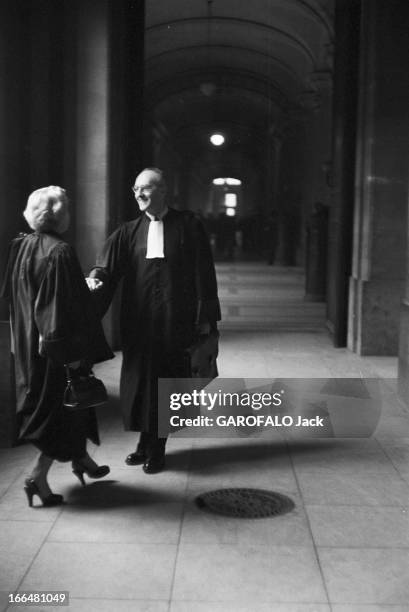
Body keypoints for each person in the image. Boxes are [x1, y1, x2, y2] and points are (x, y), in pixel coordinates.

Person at [87, 167, 221, 474]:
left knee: (167, 382)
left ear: (163, 191)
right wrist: (96, 278)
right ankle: (144, 443)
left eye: (145, 189)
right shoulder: (129, 231)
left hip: (176, 321)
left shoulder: (188, 225)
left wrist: (205, 318)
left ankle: (157, 447)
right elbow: (107, 267)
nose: (139, 195)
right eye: (135, 190)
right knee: (140, 382)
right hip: (140, 322)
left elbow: (204, 273)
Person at [0, 186, 114, 507]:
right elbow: (57, 311)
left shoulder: (20, 245)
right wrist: (87, 290)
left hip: (27, 347)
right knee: (62, 411)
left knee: (67, 409)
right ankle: (37, 478)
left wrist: (76, 285)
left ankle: (82, 461)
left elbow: (29, 297)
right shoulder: (60, 251)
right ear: (60, 214)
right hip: (54, 350)